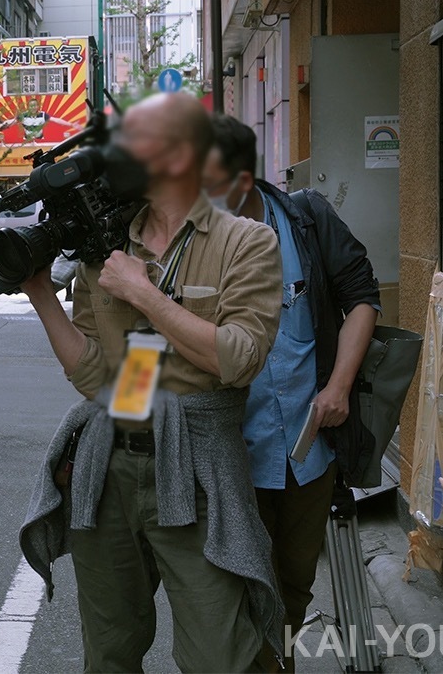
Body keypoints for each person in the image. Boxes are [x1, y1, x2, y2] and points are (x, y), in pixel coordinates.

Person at [18, 93, 286, 672]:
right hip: (108, 465)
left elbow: (239, 358)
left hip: (197, 467)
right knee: (109, 651)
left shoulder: (247, 243)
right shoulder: (105, 250)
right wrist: (41, 293)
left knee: (218, 655)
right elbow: (98, 377)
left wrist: (143, 293)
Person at [204, 114, 380, 671]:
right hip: (233, 450)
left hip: (312, 444)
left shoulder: (305, 217)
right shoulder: (192, 240)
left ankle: (276, 658)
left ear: (243, 177)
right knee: (241, 584)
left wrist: (338, 388)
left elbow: (362, 296)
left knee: (296, 581)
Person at [0, 98, 86, 145]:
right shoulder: (23, 116)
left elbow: (56, 120)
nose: (33, 108)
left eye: (35, 106)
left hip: (39, 141)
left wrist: (71, 124)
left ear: (38, 107)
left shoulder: (43, 115)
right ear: (28, 107)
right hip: (27, 143)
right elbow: (10, 122)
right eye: (31, 106)